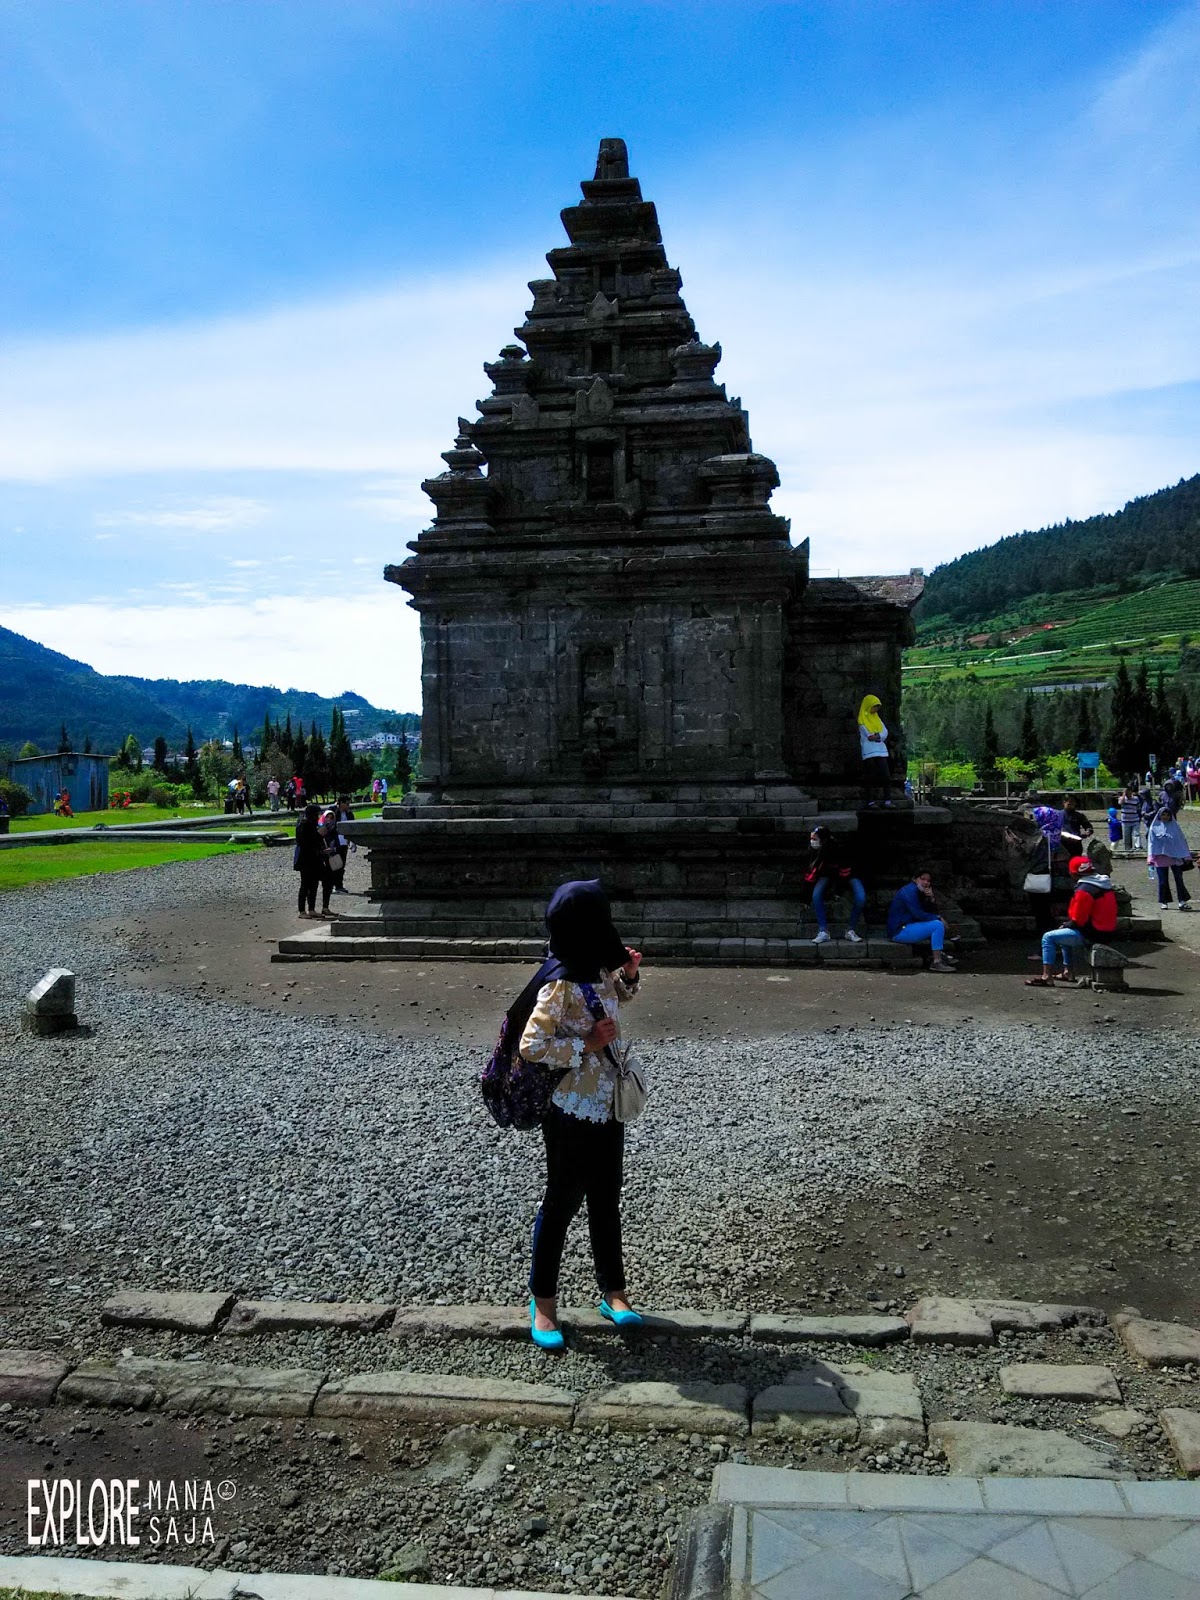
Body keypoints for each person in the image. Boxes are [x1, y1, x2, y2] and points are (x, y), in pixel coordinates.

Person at [518, 880, 644, 1350]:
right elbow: (532, 1047)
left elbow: (620, 999)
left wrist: (629, 974)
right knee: (561, 1202)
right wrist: (584, 1045)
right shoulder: (559, 981)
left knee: (607, 1197)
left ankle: (615, 1294)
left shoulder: (597, 967)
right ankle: (544, 1303)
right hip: (569, 1107)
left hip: (607, 1103)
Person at [1026, 855, 1118, 985]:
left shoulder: (1084, 890)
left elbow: (1078, 921)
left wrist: (1066, 925)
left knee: (1048, 937)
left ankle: (1047, 976)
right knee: (1064, 933)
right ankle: (1067, 971)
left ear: (1074, 873)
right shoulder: (1104, 885)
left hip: (1093, 933)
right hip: (1106, 930)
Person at [805, 826, 866, 944]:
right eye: (811, 839)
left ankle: (850, 929)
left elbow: (844, 873)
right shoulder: (815, 852)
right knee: (816, 895)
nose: (812, 842)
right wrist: (805, 897)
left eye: (815, 839)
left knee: (861, 898)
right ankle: (823, 931)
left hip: (850, 874)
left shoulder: (838, 850)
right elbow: (810, 873)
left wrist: (838, 891)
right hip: (827, 874)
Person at [887, 870, 957, 972]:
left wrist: (931, 898)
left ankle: (937, 954)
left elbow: (929, 912)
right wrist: (938, 918)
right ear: (915, 879)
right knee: (937, 925)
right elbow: (918, 914)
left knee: (935, 923)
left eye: (928, 880)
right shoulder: (910, 891)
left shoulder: (920, 892)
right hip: (899, 931)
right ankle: (936, 962)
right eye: (922, 879)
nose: (926, 882)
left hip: (909, 926)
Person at [1147, 802, 1194, 912]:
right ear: (1159, 815)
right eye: (1163, 815)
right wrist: (1150, 858)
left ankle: (1182, 901)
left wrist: (1186, 856)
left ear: (1170, 816)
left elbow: (1181, 841)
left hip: (1175, 858)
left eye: (1167, 815)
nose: (1165, 817)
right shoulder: (1154, 828)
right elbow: (1151, 843)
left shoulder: (1175, 828)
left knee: (1179, 880)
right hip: (1160, 858)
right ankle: (1164, 901)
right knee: (1163, 881)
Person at [293, 803, 333, 919]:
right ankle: (302, 911)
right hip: (306, 859)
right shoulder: (304, 825)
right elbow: (306, 842)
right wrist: (319, 836)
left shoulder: (309, 824)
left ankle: (311, 909)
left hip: (314, 858)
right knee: (305, 884)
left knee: (313, 884)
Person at [857, 694, 893, 808]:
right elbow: (869, 735)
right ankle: (870, 801)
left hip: (881, 751)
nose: (876, 709)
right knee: (870, 776)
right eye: (874, 706)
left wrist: (878, 736)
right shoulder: (862, 721)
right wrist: (878, 736)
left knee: (886, 776)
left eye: (877, 707)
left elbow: (884, 732)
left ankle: (888, 800)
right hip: (869, 751)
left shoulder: (878, 719)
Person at [329, 796, 355, 894]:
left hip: (344, 842)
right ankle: (331, 885)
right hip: (334, 842)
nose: (348, 806)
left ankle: (339, 885)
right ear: (341, 803)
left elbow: (352, 826)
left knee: (341, 864)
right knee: (333, 863)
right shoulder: (333, 812)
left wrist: (352, 841)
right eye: (347, 804)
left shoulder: (349, 813)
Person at [1118, 786, 1142, 852]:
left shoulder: (1136, 798)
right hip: (1125, 821)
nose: (1127, 792)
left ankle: (1138, 847)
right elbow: (1120, 803)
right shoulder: (1122, 798)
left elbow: (1138, 807)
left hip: (1135, 819)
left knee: (1136, 834)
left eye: (1128, 791)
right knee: (1126, 836)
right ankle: (1128, 848)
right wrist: (1123, 795)